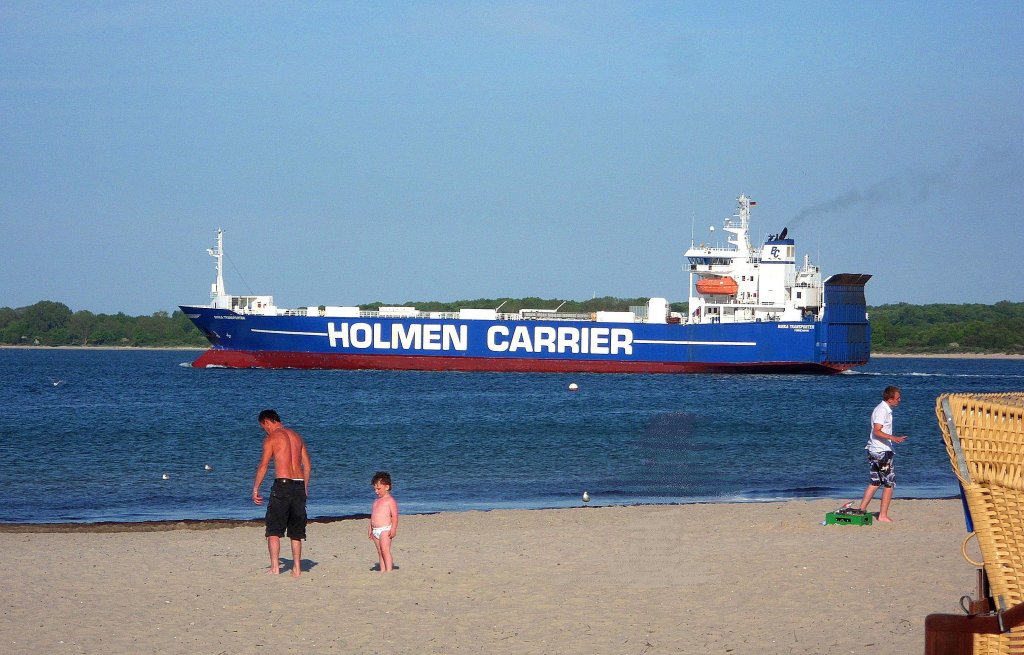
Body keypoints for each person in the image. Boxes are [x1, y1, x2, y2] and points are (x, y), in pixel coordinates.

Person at [252, 409, 312, 576]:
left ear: (267, 422)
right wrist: (305, 486)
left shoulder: (272, 438)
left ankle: (275, 567)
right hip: (299, 485)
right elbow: (307, 466)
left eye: (263, 427)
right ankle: (297, 568)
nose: (265, 430)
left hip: (283, 484)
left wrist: (256, 487)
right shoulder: (296, 436)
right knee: (296, 531)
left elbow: (263, 465)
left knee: (273, 529)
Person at [857, 386, 907, 522]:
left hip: (876, 450)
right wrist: (894, 438)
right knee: (889, 483)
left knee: (875, 481)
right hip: (881, 451)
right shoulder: (881, 410)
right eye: (897, 398)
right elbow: (877, 431)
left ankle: (861, 509)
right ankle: (883, 515)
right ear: (890, 399)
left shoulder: (884, 409)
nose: (899, 400)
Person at [368, 471, 399, 572]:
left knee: (385, 550)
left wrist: (393, 528)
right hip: (375, 529)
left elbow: (394, 516)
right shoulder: (376, 501)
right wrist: (370, 528)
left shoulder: (390, 500)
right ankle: (382, 569)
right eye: (375, 489)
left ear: (387, 487)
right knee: (380, 552)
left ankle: (389, 570)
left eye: (378, 489)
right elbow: (373, 516)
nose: (376, 491)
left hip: (385, 529)